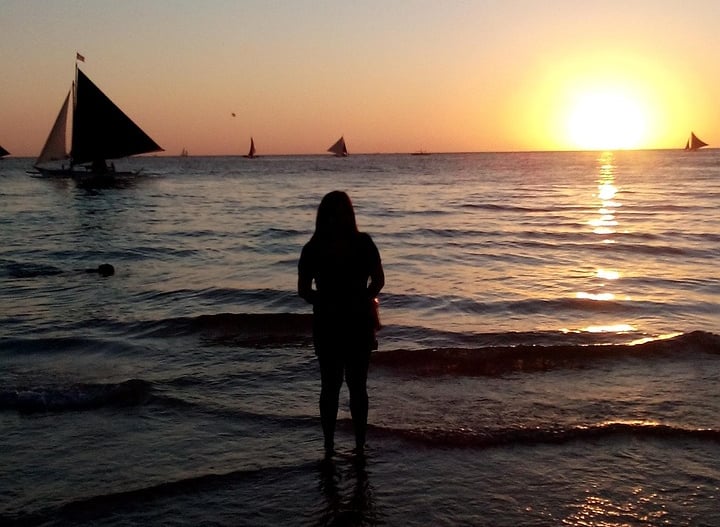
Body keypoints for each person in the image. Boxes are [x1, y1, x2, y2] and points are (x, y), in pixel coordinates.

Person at [298, 191, 385, 457]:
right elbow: (378, 281)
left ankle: (341, 445)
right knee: (342, 387)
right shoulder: (358, 243)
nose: (338, 218)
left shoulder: (315, 247)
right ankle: (345, 445)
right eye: (335, 213)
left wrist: (327, 301)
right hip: (344, 322)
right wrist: (360, 298)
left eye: (341, 212)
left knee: (342, 387)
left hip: (341, 322)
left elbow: (304, 290)